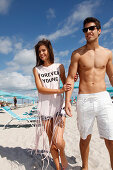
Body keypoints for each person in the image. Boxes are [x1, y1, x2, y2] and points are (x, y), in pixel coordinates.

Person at [65, 17, 113, 170]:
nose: (88, 32)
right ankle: (85, 167)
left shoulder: (107, 53)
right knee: (85, 137)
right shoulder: (77, 54)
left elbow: (112, 76)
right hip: (84, 98)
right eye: (85, 30)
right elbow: (71, 78)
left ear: (99, 30)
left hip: (103, 97)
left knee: (110, 138)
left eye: (91, 28)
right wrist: (67, 101)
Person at [33, 39, 72, 170]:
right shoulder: (36, 70)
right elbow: (40, 89)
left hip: (58, 107)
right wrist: (59, 90)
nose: (41, 53)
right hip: (44, 109)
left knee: (59, 141)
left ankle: (63, 155)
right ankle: (58, 167)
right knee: (52, 142)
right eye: (39, 52)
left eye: (43, 50)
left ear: (49, 50)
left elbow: (66, 83)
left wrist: (72, 79)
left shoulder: (59, 66)